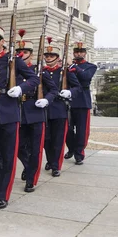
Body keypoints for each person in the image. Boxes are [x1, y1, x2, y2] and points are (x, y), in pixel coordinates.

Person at [0, 20, 38, 210]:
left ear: (2, 41)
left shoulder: (13, 60)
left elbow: (34, 79)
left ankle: (3, 193)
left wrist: (20, 88)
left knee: (8, 154)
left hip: (8, 110)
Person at [15, 32, 58, 192]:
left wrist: (46, 99)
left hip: (36, 112)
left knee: (35, 148)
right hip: (18, 112)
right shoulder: (13, 71)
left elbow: (53, 90)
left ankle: (31, 179)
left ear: (31, 55)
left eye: (25, 52)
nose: (21, 55)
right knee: (18, 147)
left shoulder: (39, 71)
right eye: (19, 52)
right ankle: (28, 166)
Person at [42, 38, 80, 177]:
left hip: (59, 109)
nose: (48, 58)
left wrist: (70, 92)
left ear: (57, 58)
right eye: (46, 55)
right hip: (44, 108)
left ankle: (56, 165)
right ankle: (51, 160)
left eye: (51, 56)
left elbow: (78, 88)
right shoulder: (41, 71)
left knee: (58, 139)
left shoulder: (65, 72)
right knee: (46, 139)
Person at [64, 41, 97, 165]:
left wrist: (74, 67)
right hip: (69, 100)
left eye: (81, 52)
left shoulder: (90, 66)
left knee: (82, 130)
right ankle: (71, 148)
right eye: (76, 52)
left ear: (85, 53)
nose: (78, 53)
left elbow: (85, 77)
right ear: (73, 53)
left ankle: (79, 153)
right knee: (67, 129)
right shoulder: (67, 66)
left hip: (82, 101)